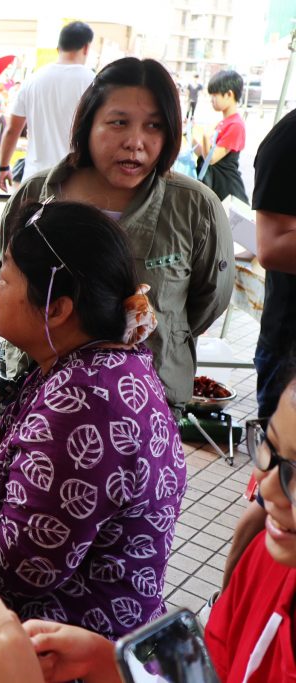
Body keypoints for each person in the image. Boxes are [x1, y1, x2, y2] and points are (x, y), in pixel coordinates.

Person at [0, 200, 183, 638]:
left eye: (5, 276)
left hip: (67, 642)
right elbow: (17, 453)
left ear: (57, 309)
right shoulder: (88, 361)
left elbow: (19, 561)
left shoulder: (87, 401)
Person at [0, 372, 296, 683]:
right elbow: (208, 675)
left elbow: (19, 559)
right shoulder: (266, 562)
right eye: (270, 448)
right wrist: (107, 663)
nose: (267, 489)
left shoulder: (88, 398)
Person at [0, 57, 235, 410]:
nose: (135, 142)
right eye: (118, 122)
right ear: (88, 123)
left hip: (142, 408)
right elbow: (7, 280)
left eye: (154, 126)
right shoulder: (35, 194)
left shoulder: (196, 208)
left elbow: (208, 302)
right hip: (34, 398)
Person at [221, 109, 296, 590]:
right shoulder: (289, 139)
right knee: (270, 496)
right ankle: (230, 606)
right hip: (290, 345)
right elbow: (269, 245)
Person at [0, 21, 95, 192]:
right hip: (76, 180)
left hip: (35, 179)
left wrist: (4, 167)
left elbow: (13, 129)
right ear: (86, 47)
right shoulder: (94, 82)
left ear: (58, 48)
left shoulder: (32, 80)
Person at [195, 69, 248, 203]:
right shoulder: (224, 123)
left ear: (229, 94)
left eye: (215, 95)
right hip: (217, 186)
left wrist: (206, 136)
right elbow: (204, 153)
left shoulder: (235, 125)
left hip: (228, 190)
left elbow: (211, 159)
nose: (212, 100)